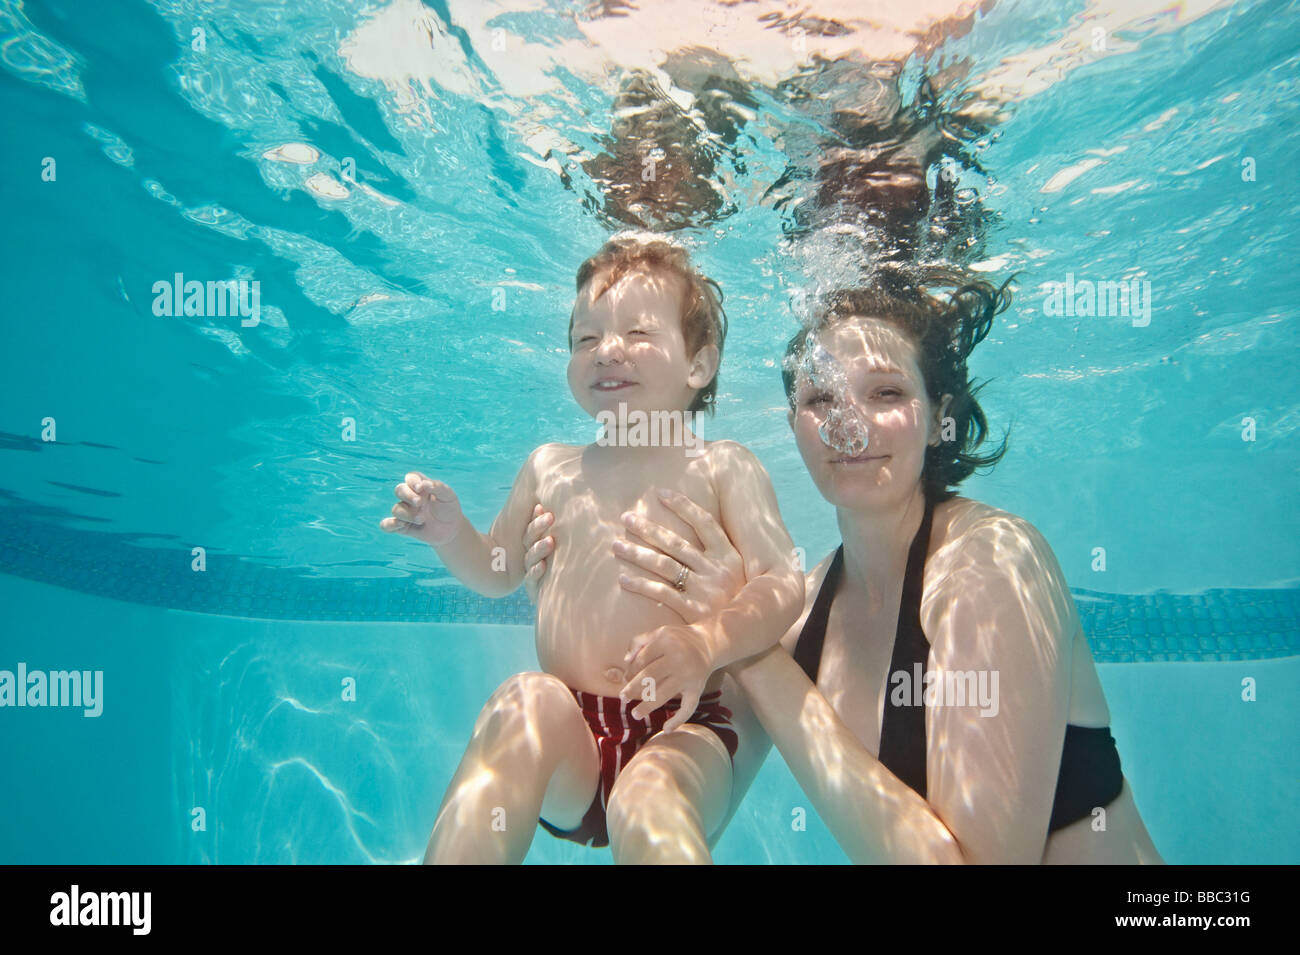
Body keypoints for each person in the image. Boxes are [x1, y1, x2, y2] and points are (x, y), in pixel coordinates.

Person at [522, 272, 1164, 863]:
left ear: (941, 417)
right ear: (794, 426)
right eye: (819, 399)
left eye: (885, 392)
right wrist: (581, 591)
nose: (847, 426)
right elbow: (656, 804)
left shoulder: (989, 563)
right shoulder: (800, 617)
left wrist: (755, 652)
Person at [382, 234, 804, 863]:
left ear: (699, 365)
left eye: (637, 334)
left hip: (685, 727)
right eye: (586, 339)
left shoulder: (724, 468)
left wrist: (707, 642)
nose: (608, 350)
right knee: (521, 701)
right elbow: (499, 571)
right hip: (573, 733)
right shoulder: (550, 467)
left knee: (650, 803)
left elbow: (782, 585)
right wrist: (454, 536)